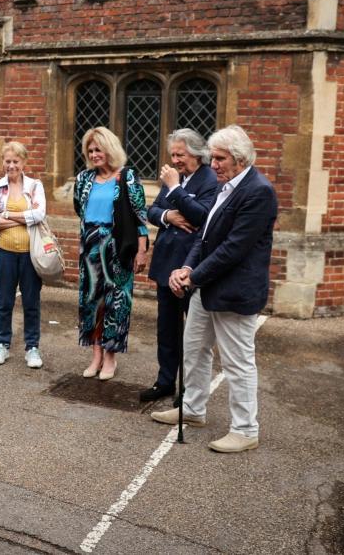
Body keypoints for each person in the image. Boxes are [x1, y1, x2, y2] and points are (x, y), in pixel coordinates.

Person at [151, 125, 278, 454]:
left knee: (238, 362)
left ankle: (246, 429)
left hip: (234, 292)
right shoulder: (227, 186)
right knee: (193, 349)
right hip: (206, 288)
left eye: (220, 158)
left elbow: (233, 249)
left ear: (238, 159)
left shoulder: (257, 191)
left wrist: (193, 278)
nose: (214, 163)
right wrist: (187, 268)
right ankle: (192, 409)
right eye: (214, 157)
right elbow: (204, 237)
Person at [139, 129, 218, 402]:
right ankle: (165, 381)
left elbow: (203, 216)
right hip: (165, 262)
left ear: (197, 153)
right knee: (167, 328)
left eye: (180, 154)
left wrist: (174, 189)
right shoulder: (177, 176)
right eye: (172, 154)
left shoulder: (210, 179)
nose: (175, 160)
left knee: (193, 332)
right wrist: (168, 215)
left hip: (190, 266)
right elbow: (152, 211)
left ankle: (189, 389)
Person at [72, 127, 148, 381]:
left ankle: (110, 358)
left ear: (110, 149)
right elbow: (78, 209)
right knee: (92, 301)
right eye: (90, 150)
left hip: (118, 248)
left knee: (116, 303)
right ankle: (95, 355)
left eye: (98, 149)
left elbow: (140, 217)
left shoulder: (126, 177)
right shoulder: (84, 179)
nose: (94, 154)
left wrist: (142, 250)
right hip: (90, 247)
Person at [0, 141, 47, 369]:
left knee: (31, 301)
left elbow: (39, 215)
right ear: (3, 162)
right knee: (4, 301)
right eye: (7, 161)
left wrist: (7, 215)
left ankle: (32, 347)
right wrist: (22, 216)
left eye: (15, 161)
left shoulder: (35, 186)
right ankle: (2, 344)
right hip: (4, 253)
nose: (11, 165)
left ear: (24, 162)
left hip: (30, 255)